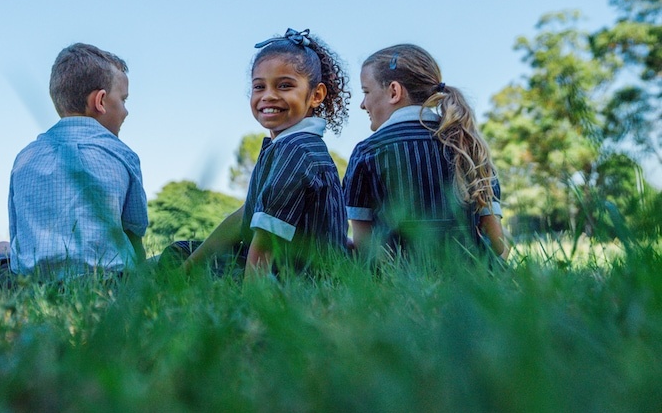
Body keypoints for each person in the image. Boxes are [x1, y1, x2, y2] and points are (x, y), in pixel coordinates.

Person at [174, 28, 350, 279]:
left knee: (173, 258)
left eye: (285, 85)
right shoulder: (286, 145)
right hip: (290, 269)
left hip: (294, 279)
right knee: (183, 253)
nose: (268, 96)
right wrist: (188, 267)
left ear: (316, 95)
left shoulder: (296, 151)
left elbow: (267, 241)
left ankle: (118, 285)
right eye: (259, 86)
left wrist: (254, 309)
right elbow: (244, 216)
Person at [0, 43, 148, 281]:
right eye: (123, 100)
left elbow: (18, 235)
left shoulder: (24, 158)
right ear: (100, 101)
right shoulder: (123, 156)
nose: (126, 111)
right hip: (108, 282)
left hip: (31, 284)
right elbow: (134, 235)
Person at [344, 44, 509, 262]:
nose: (362, 104)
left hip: (398, 289)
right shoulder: (467, 146)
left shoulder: (367, 152)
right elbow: (498, 245)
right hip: (469, 287)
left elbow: (366, 249)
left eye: (366, 92)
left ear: (394, 91)